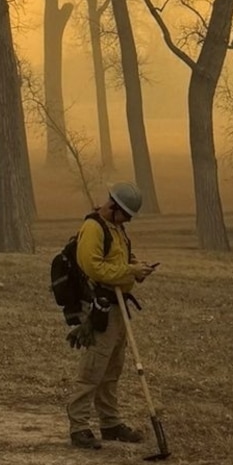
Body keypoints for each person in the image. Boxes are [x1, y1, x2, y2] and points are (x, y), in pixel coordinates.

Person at [66, 181, 157, 450]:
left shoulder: (117, 229)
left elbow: (119, 260)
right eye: (126, 214)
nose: (128, 220)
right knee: (93, 368)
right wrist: (129, 272)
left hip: (118, 307)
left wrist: (137, 267)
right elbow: (93, 268)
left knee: (112, 368)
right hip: (99, 306)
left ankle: (110, 423)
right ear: (114, 207)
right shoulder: (93, 228)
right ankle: (79, 427)